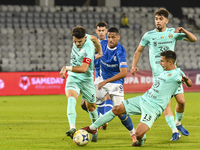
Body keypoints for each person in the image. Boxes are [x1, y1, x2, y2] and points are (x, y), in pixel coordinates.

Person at [81, 50, 193, 146]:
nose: (160, 63)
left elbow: (189, 84)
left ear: (170, 62)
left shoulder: (177, 73)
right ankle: (93, 127)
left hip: (153, 108)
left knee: (139, 134)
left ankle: (140, 141)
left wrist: (186, 80)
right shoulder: (163, 72)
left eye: (162, 61)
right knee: (117, 109)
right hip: (143, 99)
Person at [131, 8, 197, 141]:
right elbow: (138, 50)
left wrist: (184, 30)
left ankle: (178, 123)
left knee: (182, 102)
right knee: (166, 104)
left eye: (161, 19)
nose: (158, 21)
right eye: (156, 19)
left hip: (174, 74)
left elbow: (194, 39)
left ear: (166, 20)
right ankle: (174, 131)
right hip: (159, 76)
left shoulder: (173, 33)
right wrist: (133, 66)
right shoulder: (148, 35)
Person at [89, 27, 136, 142]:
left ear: (118, 37)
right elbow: (92, 51)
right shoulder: (103, 44)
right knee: (85, 103)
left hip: (115, 83)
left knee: (120, 112)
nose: (110, 39)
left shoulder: (120, 51)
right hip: (103, 80)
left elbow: (124, 73)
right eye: (109, 37)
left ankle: (133, 133)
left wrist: (106, 81)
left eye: (113, 37)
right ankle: (100, 119)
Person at [59, 26, 102, 142]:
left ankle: (94, 129)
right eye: (75, 41)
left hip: (86, 79)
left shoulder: (88, 47)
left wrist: (66, 68)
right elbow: (95, 38)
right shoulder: (87, 37)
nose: (77, 44)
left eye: (80, 41)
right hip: (73, 77)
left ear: (84, 39)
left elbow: (84, 68)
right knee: (71, 99)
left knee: (92, 107)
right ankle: (72, 128)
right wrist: (100, 51)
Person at [81, 22, 113, 130]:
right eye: (99, 30)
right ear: (96, 31)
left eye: (103, 30)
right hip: (97, 77)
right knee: (85, 104)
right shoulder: (93, 43)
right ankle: (102, 119)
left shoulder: (110, 43)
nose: (101, 32)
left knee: (107, 96)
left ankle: (102, 120)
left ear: (106, 31)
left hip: (107, 76)